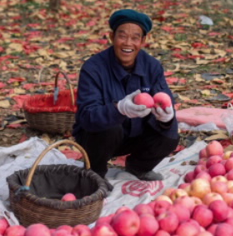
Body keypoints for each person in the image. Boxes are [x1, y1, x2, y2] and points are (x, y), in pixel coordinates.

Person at [73, 9, 179, 181]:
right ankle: (96, 173)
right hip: (99, 139)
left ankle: (139, 167)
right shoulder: (93, 68)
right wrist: (119, 109)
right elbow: (86, 116)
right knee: (108, 126)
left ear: (144, 41)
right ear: (111, 37)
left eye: (135, 38)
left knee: (171, 130)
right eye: (122, 36)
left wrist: (166, 117)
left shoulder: (152, 67)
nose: (128, 43)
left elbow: (164, 98)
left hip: (137, 134)